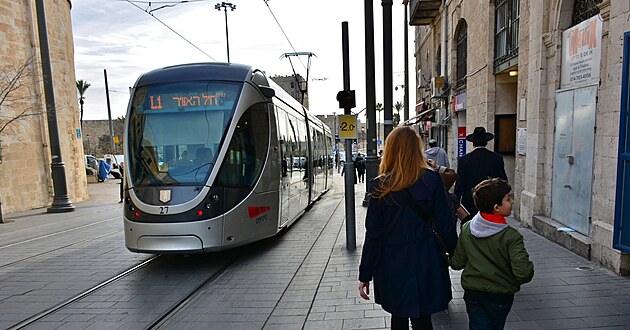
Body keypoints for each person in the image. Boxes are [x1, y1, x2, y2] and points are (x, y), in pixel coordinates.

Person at [358, 126, 458, 330]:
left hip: (392, 261)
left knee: (398, 315)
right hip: (426, 257)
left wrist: (365, 274)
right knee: (423, 318)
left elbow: (374, 234)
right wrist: (456, 254)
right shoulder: (431, 180)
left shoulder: (380, 185)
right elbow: (445, 223)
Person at [450, 178, 534, 330]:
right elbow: (524, 272)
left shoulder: (467, 228)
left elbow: (457, 263)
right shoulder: (511, 237)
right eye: (508, 199)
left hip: (473, 294)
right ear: (496, 207)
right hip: (500, 296)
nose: (512, 201)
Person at [454, 127, 508, 223]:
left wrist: (456, 201)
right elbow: (503, 181)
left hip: (469, 202)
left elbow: (460, 183)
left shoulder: (464, 160)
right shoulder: (497, 158)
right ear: (486, 142)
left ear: (473, 143)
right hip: (491, 202)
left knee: (469, 229)